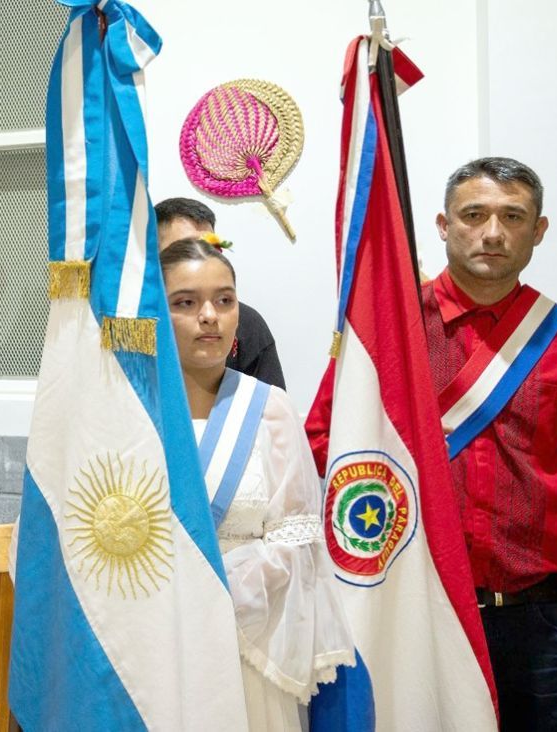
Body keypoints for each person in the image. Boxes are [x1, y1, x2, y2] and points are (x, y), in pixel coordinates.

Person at [427, 158, 557, 730]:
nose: (492, 232)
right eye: (474, 214)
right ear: (442, 225)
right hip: (427, 607)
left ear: (539, 231)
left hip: (547, 620)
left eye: (513, 217)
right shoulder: (396, 328)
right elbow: (330, 446)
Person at [161, 238, 353, 730]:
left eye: (224, 300)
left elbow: (295, 536)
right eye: (186, 302)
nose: (210, 316)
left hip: (250, 642)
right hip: (158, 643)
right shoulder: (132, 412)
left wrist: (216, 599)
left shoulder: (269, 408)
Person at [155, 197, 286, 389]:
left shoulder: (247, 323)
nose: (200, 258)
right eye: (184, 251)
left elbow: (267, 407)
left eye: (210, 249)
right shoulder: (127, 325)